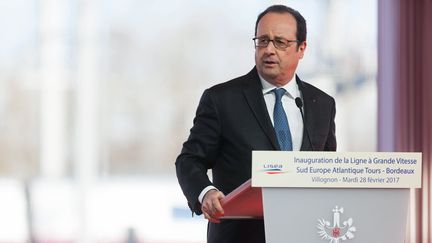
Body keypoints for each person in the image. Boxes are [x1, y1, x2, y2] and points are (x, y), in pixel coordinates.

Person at [175, 4, 336, 243]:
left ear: (302, 48)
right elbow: (189, 160)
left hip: (305, 234)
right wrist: (206, 193)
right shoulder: (222, 99)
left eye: (280, 42)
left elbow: (328, 169)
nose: (269, 50)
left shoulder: (322, 103)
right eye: (262, 41)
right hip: (239, 236)